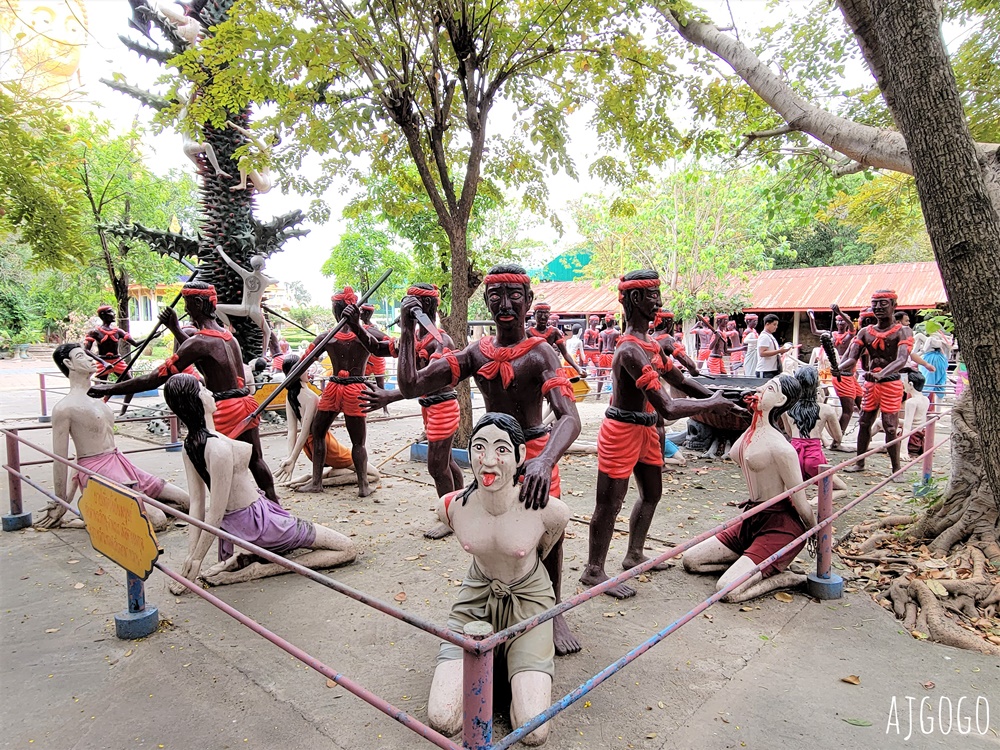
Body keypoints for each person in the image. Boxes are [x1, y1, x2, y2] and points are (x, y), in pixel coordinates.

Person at [395, 263, 583, 655]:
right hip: (492, 457)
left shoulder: (541, 354)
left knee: (548, 533)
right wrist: (404, 331)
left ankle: (553, 609)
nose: (505, 304)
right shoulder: (476, 353)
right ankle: (493, 596)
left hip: (532, 452)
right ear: (486, 300)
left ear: (529, 301)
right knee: (491, 530)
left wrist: (545, 459)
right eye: (495, 295)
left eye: (515, 295)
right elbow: (412, 385)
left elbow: (569, 417)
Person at [580, 271, 743, 599]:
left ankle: (634, 554)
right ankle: (593, 570)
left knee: (652, 493)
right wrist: (713, 402)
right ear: (637, 300)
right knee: (609, 503)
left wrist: (721, 394)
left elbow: (682, 381)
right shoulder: (629, 350)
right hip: (622, 430)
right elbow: (667, 406)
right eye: (654, 295)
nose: (660, 302)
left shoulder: (651, 345)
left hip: (645, 430)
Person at [427, 413, 569, 746]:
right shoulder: (450, 507)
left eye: (502, 449)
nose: (488, 461)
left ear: (521, 456)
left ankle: (516, 661)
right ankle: (498, 666)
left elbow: (548, 544)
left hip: (529, 600)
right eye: (479, 447)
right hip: (475, 599)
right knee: (443, 720)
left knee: (533, 731)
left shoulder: (549, 510)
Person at [162, 374, 356, 592]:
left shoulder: (191, 445)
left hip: (255, 515)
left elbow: (198, 505)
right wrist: (194, 560)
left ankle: (246, 557)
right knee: (346, 548)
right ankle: (262, 569)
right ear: (194, 401)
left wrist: (192, 556)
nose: (210, 393)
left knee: (304, 540)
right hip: (259, 523)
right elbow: (213, 512)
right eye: (203, 390)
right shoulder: (217, 449)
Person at [88, 281, 278, 503]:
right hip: (245, 403)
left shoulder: (200, 341)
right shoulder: (228, 337)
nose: (186, 310)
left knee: (208, 462)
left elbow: (153, 379)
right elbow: (203, 354)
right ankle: (274, 505)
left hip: (223, 411)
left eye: (188, 304)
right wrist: (175, 329)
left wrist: (110, 387)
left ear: (197, 303)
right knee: (255, 460)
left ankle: (227, 512)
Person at [683, 375, 815, 601]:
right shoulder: (751, 432)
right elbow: (738, 449)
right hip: (751, 518)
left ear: (780, 399)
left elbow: (800, 500)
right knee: (691, 561)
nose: (760, 390)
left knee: (727, 591)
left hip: (780, 525)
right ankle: (749, 566)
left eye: (769, 388)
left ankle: (784, 579)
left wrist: (815, 530)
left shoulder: (781, 448)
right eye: (762, 386)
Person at [34, 343, 189, 531]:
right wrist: (62, 501)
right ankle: (104, 513)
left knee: (185, 503)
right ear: (69, 363)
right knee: (157, 521)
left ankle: (112, 510)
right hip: (97, 470)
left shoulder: (98, 398)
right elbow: (61, 459)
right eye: (81, 356)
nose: (91, 359)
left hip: (120, 463)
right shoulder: (64, 408)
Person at [359, 284, 464, 538]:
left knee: (437, 467)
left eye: (411, 304)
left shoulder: (440, 341)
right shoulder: (415, 339)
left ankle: (450, 520)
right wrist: (354, 326)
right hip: (429, 408)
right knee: (447, 461)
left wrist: (390, 396)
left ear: (426, 308)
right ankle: (460, 505)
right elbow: (377, 347)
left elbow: (429, 380)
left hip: (443, 408)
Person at [296, 287, 389, 496]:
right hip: (345, 388)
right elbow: (304, 361)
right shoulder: (333, 335)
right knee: (326, 434)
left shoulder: (335, 336)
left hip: (342, 387)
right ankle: (352, 484)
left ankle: (359, 484)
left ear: (336, 311)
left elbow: (392, 347)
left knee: (327, 435)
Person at [836, 290, 914, 477]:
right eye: (875, 303)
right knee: (864, 422)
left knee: (890, 426)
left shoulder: (902, 331)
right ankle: (859, 461)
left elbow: (902, 359)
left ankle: (896, 469)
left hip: (891, 383)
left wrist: (882, 374)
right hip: (871, 384)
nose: (878, 308)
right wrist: (839, 368)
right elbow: (852, 357)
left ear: (894, 305)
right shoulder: (865, 332)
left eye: (883, 303)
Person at [275, 355, 380, 490]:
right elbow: (306, 430)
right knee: (374, 474)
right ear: (298, 372)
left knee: (344, 470)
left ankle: (312, 477)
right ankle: (320, 482)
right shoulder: (311, 397)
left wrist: (291, 457)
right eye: (305, 369)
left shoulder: (290, 396)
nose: (308, 372)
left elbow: (292, 431)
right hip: (325, 444)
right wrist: (292, 460)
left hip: (309, 447)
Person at [783, 367, 848, 499]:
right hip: (814, 456)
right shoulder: (825, 409)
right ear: (816, 385)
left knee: (793, 489)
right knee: (843, 489)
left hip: (794, 453)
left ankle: (799, 503)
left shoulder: (788, 408)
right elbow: (838, 437)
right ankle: (817, 501)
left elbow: (789, 433)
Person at [213, 247, 278, 356]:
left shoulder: (246, 274)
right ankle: (263, 355)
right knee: (267, 332)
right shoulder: (266, 280)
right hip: (255, 311)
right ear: (262, 266)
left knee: (217, 307)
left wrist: (220, 250)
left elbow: (230, 262)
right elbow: (276, 280)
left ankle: (229, 326)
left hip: (243, 308)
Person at [85, 304, 143, 416]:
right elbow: (86, 350)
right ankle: (100, 411)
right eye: (111, 312)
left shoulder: (118, 331)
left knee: (131, 386)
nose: (114, 314)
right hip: (103, 362)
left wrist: (152, 336)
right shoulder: (95, 332)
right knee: (101, 389)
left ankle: (123, 412)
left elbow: (135, 343)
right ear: (103, 315)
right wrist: (103, 362)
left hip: (118, 361)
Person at [527, 304, 584, 377]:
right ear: (534, 315)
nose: (543, 317)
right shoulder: (528, 333)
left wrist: (578, 368)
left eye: (546, 313)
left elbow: (565, 353)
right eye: (540, 313)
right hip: (533, 367)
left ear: (549, 315)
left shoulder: (554, 332)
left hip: (549, 366)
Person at [360, 304, 391, 415]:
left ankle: (385, 410)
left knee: (380, 385)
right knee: (362, 384)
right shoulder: (361, 327)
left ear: (367, 314)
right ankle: (362, 407)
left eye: (362, 311)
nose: (360, 313)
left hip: (376, 359)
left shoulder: (372, 328)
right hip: (367, 360)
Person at [651, 310, 700, 376]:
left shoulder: (649, 338)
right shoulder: (667, 340)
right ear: (669, 322)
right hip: (656, 377)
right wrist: (693, 370)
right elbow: (689, 363)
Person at [901, 371, 931, 462]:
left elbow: (907, 426)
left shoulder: (911, 402)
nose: (903, 383)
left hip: (911, 440)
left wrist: (903, 451)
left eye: (905, 381)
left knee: (876, 446)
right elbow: (916, 421)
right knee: (879, 421)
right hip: (918, 435)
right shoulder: (926, 399)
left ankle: (860, 444)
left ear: (910, 384)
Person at [756, 314, 791, 378]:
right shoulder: (764, 336)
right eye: (774, 324)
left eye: (777, 325)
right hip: (765, 371)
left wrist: (782, 350)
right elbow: (762, 353)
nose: (776, 327)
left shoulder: (770, 336)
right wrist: (779, 351)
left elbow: (773, 350)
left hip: (773, 369)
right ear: (767, 324)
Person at [596, 314, 620, 399]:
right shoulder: (616, 333)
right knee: (614, 374)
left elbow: (599, 346)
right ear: (613, 323)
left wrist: (601, 353)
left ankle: (598, 394)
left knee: (600, 374)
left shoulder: (602, 333)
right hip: (611, 354)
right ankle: (615, 394)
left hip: (603, 355)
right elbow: (618, 345)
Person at [741, 314, 759, 378]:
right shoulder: (748, 331)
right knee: (749, 371)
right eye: (754, 321)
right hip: (749, 353)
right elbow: (744, 344)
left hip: (754, 353)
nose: (756, 323)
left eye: (756, 321)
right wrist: (745, 355)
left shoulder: (753, 330)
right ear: (748, 321)